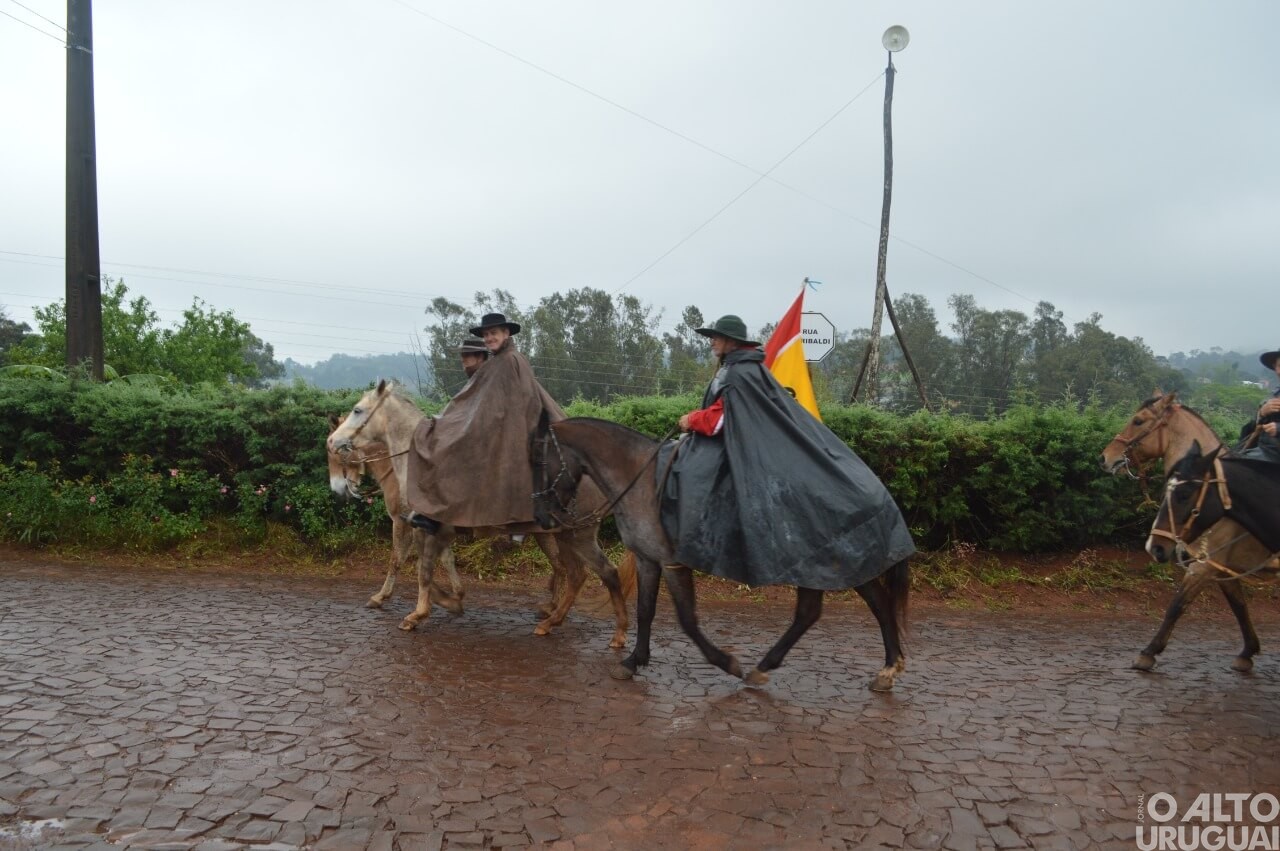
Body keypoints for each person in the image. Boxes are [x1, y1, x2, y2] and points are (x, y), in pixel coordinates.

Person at [661, 314, 915, 590]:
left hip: (744, 451)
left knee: (692, 474)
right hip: (742, 445)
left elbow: (721, 420)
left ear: (731, 341)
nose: (711, 342)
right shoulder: (742, 368)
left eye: (716, 337)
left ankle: (688, 547)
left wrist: (691, 420)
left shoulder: (739, 373)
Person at [406, 313, 562, 533]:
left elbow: (512, 405)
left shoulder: (509, 361)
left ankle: (440, 513)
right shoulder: (500, 361)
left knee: (449, 450)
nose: (489, 338)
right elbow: (473, 404)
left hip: (511, 432)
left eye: (493, 333)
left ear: (506, 333)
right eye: (486, 334)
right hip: (500, 428)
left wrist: (456, 426)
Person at [1237, 347, 1280, 463]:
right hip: (1263, 452)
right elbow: (1250, 430)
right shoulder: (1272, 397)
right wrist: (1261, 413)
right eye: (1278, 366)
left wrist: (1278, 428)